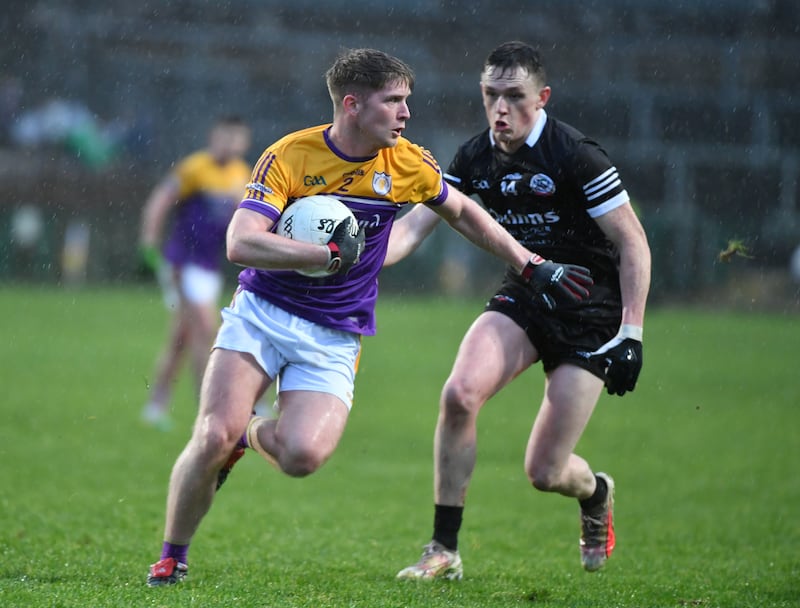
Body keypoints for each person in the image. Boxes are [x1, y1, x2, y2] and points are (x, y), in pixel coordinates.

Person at [145, 47, 592, 587]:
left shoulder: (407, 162)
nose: (406, 113)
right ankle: (172, 556)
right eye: (393, 101)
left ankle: (248, 436)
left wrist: (528, 263)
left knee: (302, 456)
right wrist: (323, 254)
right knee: (212, 433)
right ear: (353, 105)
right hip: (262, 314)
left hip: (334, 333)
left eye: (407, 100)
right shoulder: (290, 155)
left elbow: (463, 212)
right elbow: (240, 243)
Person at [395, 41, 651, 580]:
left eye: (514, 95)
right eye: (491, 94)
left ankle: (595, 492)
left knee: (545, 471)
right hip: (528, 292)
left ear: (543, 97)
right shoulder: (474, 156)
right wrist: (352, 256)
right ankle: (443, 549)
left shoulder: (575, 155)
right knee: (459, 394)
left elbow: (633, 243)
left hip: (590, 311)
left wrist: (632, 333)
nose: (500, 108)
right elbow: (414, 227)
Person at [138, 116, 252, 430]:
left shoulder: (241, 174)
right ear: (214, 136)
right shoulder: (195, 168)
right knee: (207, 329)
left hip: (208, 266)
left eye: (237, 138)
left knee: (182, 339)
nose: (231, 143)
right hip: (182, 263)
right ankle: (211, 408)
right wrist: (149, 240)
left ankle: (156, 405)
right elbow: (160, 201)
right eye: (226, 136)